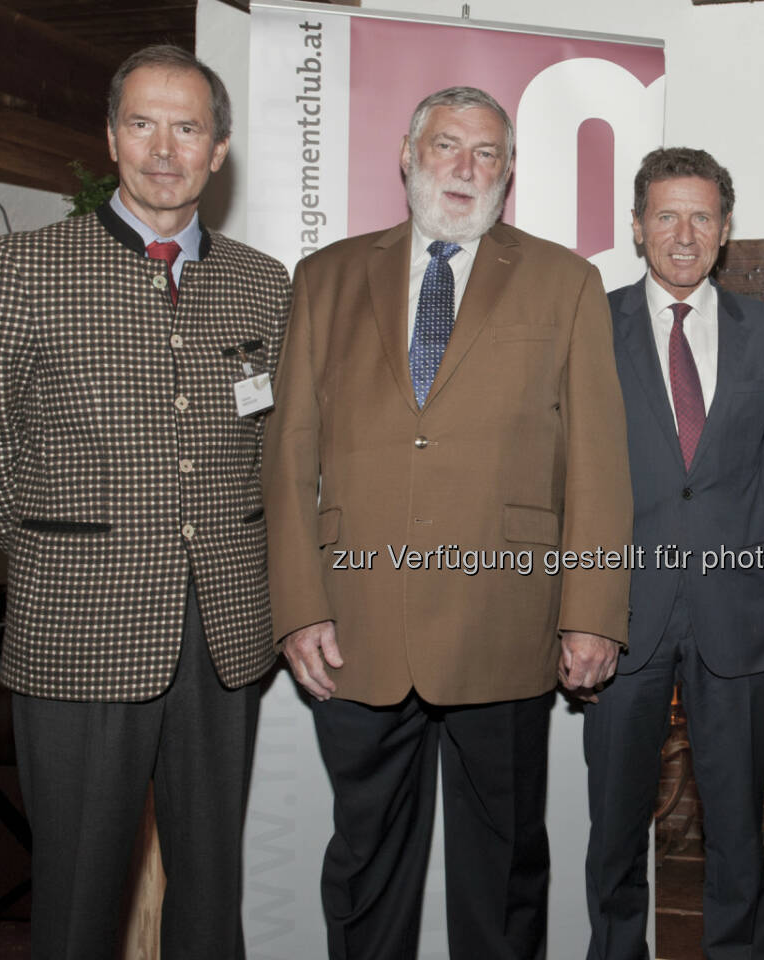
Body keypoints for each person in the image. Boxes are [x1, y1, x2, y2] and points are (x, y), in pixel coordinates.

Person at [261, 85, 632, 960]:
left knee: (503, 875)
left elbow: (599, 464)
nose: (465, 169)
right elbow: (288, 457)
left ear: (510, 171)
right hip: (355, 626)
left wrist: (591, 612)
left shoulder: (564, 280)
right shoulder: (327, 277)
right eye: (447, 147)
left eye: (487, 154)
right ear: (406, 153)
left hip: (506, 622)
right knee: (363, 867)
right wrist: (298, 606)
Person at [0, 44, 290, 959]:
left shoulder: (264, 284)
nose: (163, 149)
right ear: (110, 137)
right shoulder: (23, 268)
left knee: (212, 893)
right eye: (142, 123)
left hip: (224, 631)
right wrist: (58, 545)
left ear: (220, 151)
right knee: (81, 897)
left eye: (187, 128)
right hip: (78, 628)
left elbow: (277, 447)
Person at [584, 147, 764, 960]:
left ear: (726, 230)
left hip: (739, 619)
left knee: (738, 835)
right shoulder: (590, 324)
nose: (684, 234)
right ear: (638, 225)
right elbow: (567, 477)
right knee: (613, 833)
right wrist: (572, 613)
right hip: (619, 619)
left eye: (703, 217)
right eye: (667, 215)